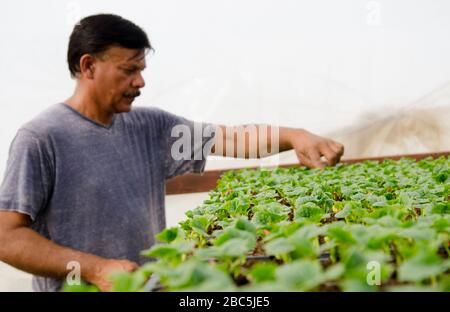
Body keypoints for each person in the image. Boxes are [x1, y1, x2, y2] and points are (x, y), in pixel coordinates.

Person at [0, 14, 344, 292]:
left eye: (141, 70)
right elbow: (7, 237)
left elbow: (231, 139)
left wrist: (295, 136)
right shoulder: (42, 138)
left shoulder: (151, 128)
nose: (140, 82)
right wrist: (95, 269)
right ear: (88, 66)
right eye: (129, 70)